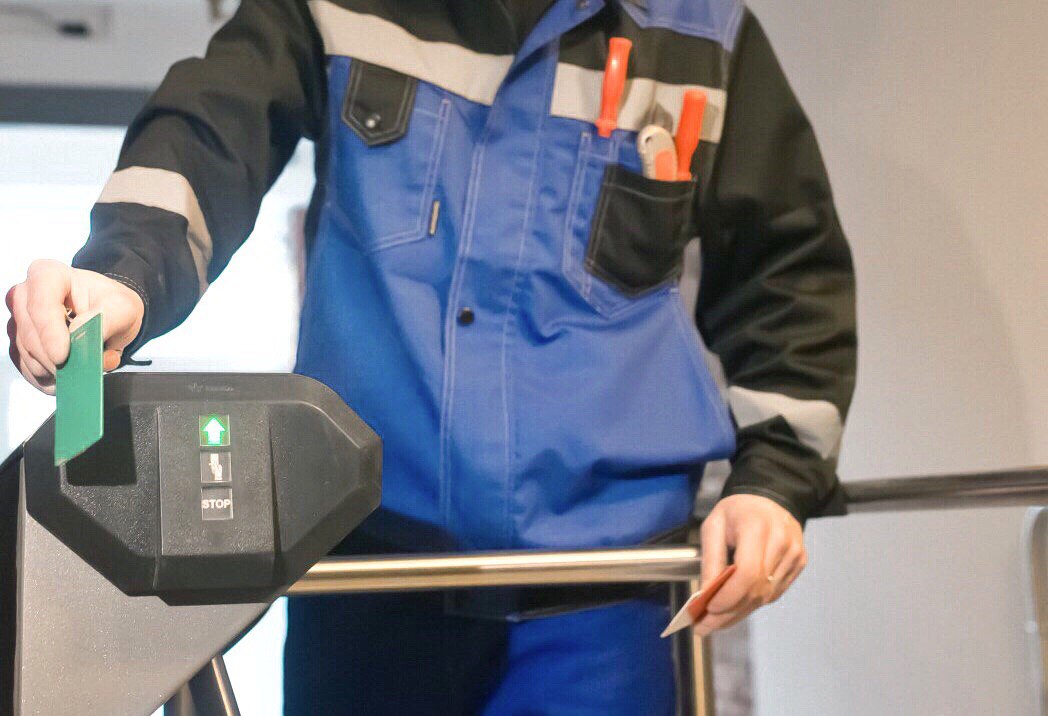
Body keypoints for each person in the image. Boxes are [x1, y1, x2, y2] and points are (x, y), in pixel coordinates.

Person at [5, 0, 856, 712]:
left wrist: (775, 480)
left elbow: (788, 268)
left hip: (604, 607)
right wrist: (122, 272)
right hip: (368, 590)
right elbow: (211, 130)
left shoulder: (704, 33)